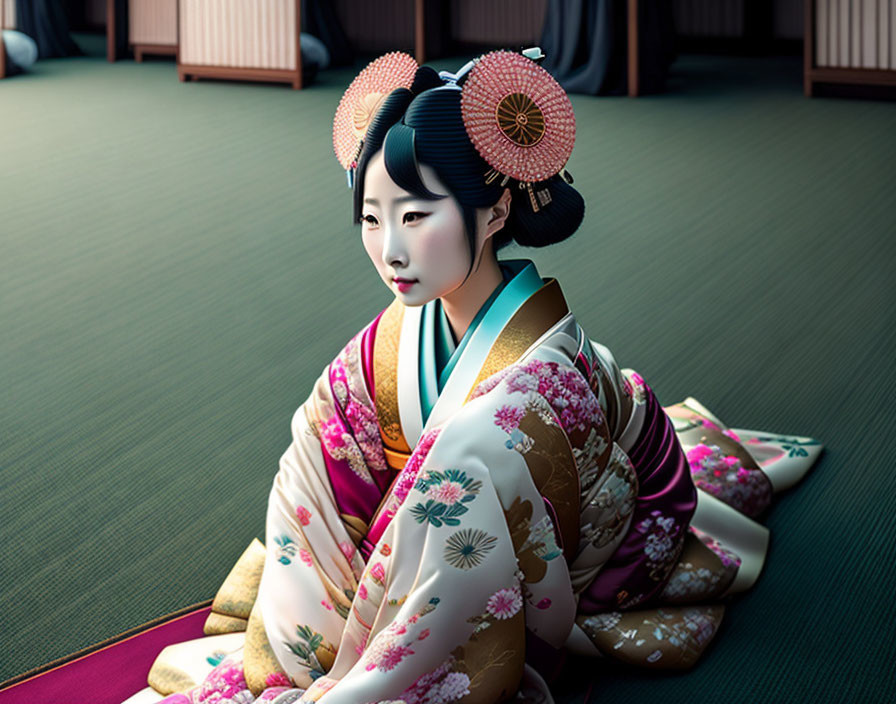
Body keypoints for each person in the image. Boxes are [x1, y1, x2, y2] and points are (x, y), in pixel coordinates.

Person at [123, 49, 822, 704]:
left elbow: (517, 516)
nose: (389, 249)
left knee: (469, 464)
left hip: (603, 538)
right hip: (469, 505)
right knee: (320, 427)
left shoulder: (541, 381)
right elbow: (318, 475)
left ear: (493, 211)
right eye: (372, 218)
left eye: (416, 215)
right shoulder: (385, 348)